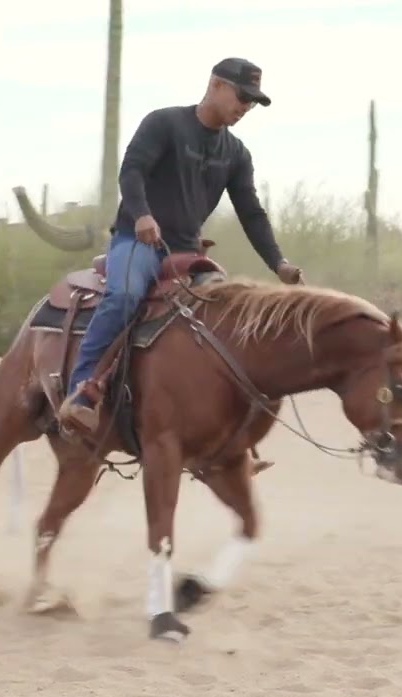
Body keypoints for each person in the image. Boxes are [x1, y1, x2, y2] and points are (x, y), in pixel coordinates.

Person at [57, 57, 305, 436]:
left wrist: (279, 263)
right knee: (125, 296)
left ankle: (227, 437)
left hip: (189, 254)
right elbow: (132, 171)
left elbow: (251, 213)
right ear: (216, 85)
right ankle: (80, 393)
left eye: (253, 102)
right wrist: (141, 215)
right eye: (243, 96)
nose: (246, 107)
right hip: (138, 241)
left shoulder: (236, 154)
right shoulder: (165, 123)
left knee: (228, 321)